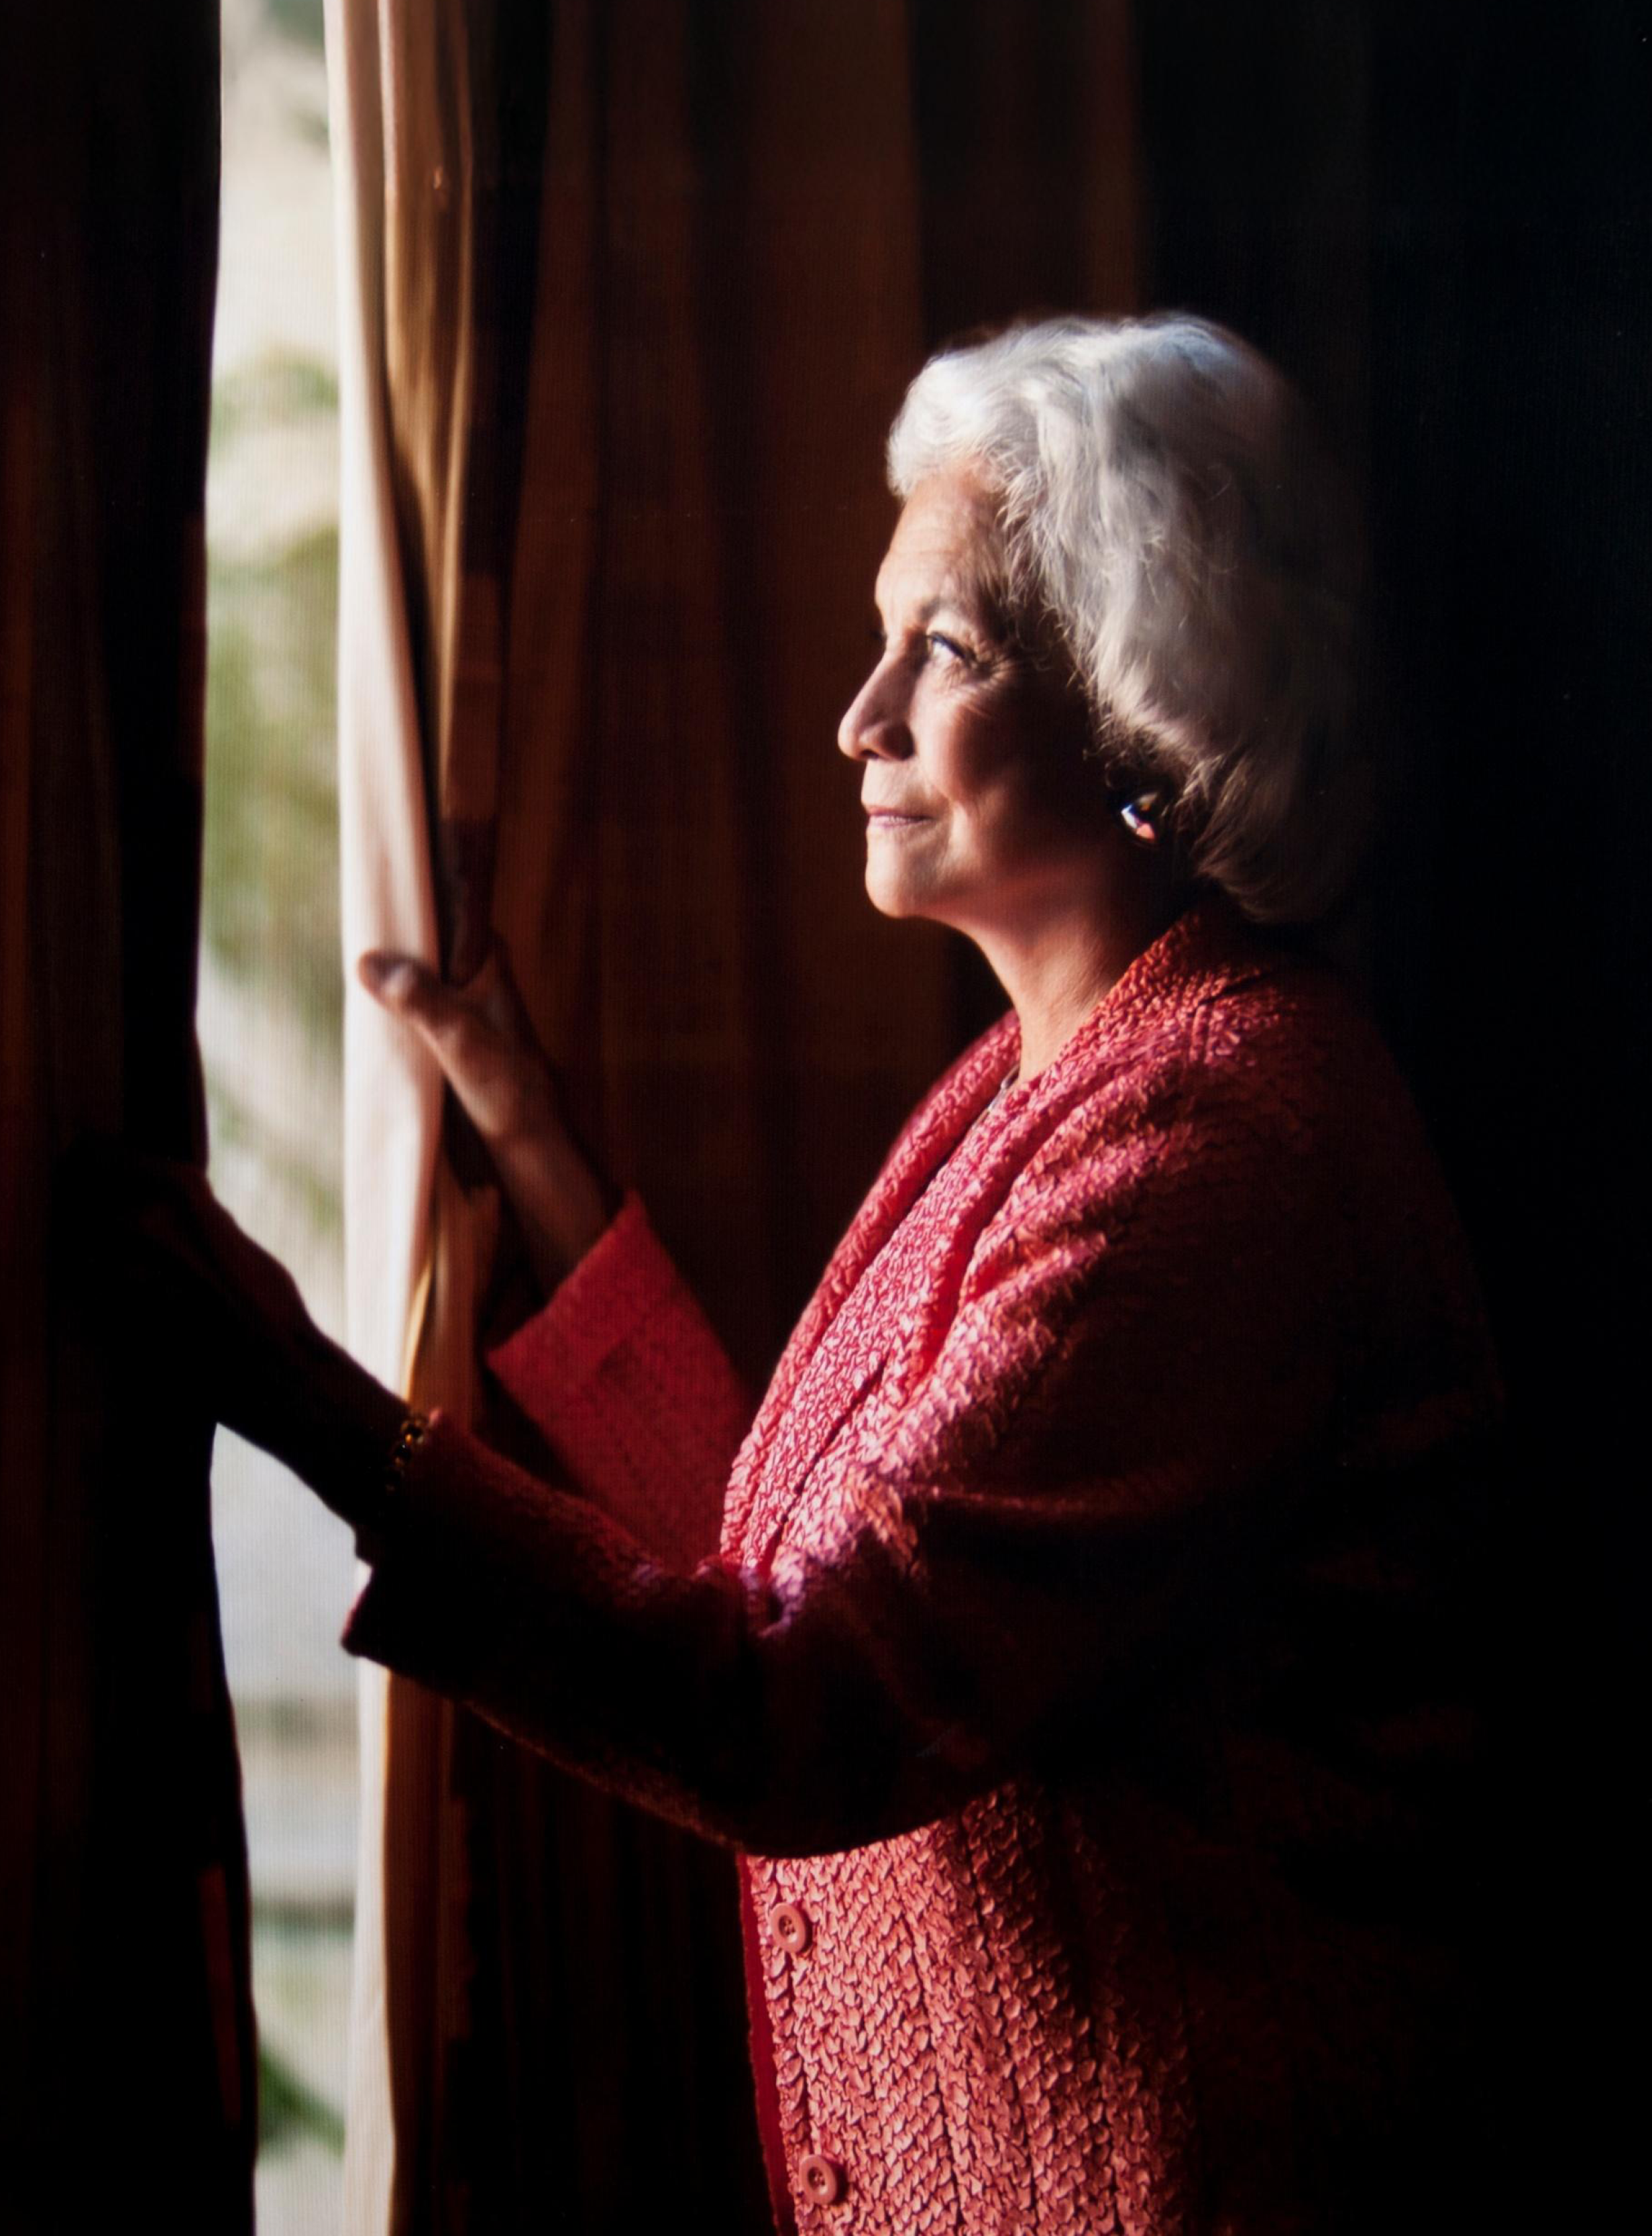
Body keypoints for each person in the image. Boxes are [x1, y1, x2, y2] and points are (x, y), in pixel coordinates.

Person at [87, 314, 1502, 2235]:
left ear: (1142, 700)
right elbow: (808, 1556)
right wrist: (537, 1156)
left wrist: (306, 1400)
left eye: (946, 649)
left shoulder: (1217, 1141)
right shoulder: (1057, 1073)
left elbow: (804, 1703)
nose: (859, 717)